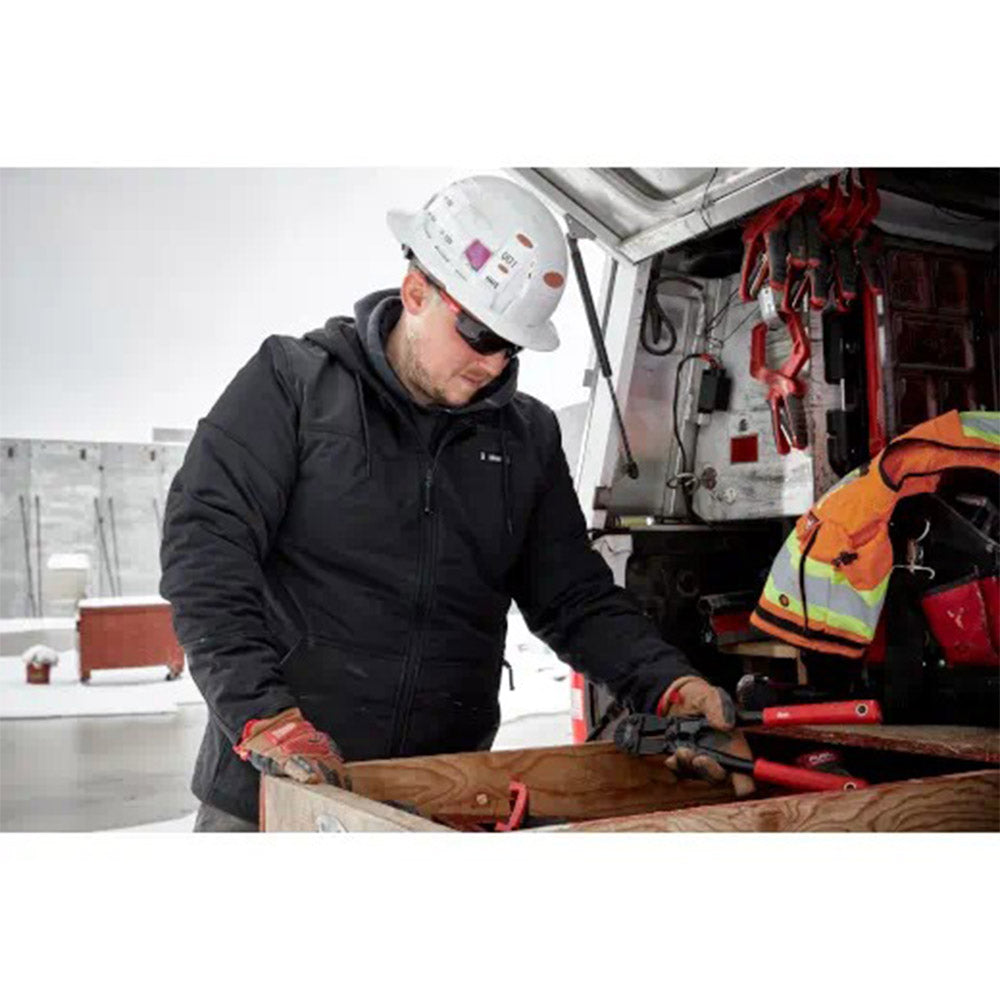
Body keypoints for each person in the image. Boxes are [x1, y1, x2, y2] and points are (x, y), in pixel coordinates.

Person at [160, 174, 751, 832]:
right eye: (479, 333)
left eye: (511, 345)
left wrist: (667, 683)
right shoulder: (295, 386)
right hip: (273, 799)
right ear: (416, 292)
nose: (494, 364)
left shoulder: (524, 439)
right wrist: (264, 718)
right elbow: (204, 556)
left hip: (439, 797)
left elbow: (573, 599)